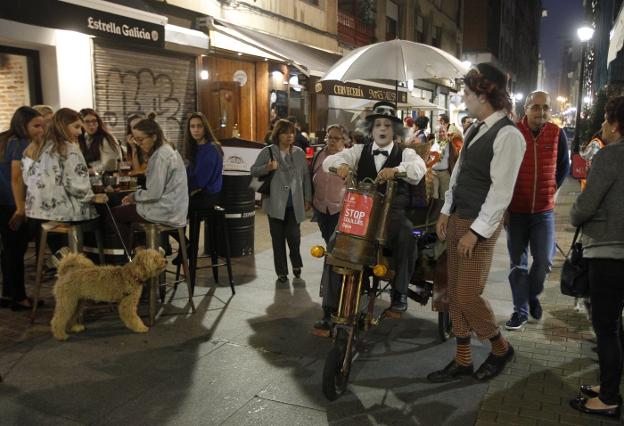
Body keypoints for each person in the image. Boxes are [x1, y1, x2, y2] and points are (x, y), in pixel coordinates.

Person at [427, 63, 525, 383]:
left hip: (478, 225)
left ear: (485, 95)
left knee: (468, 295)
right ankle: (463, 359)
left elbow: (501, 193)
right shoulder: (474, 128)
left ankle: (500, 348)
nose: (463, 98)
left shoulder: (508, 134)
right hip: (458, 218)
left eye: (468, 93)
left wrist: (475, 231)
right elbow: (458, 174)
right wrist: (445, 210)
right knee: (454, 294)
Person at [315, 101, 427, 330]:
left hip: (392, 215)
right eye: (378, 125)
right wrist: (341, 166)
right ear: (372, 129)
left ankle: (400, 295)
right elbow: (329, 161)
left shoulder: (406, 153)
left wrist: (397, 170)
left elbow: (418, 169)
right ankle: (329, 309)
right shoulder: (358, 151)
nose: (382, 129)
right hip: (361, 214)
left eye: (387, 124)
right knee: (334, 243)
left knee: (407, 234)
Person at [568, 95, 624, 418]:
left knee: (606, 326)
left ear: (615, 125)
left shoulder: (609, 156)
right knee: (616, 325)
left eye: (605, 119)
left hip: (609, 251)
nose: (602, 125)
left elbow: (584, 207)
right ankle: (609, 384)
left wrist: (575, 212)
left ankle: (609, 398)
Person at [504, 91, 570, 330]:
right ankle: (520, 311)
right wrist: (503, 207)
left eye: (545, 107)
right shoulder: (512, 133)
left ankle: (531, 295)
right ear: (526, 109)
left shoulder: (556, 133)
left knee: (543, 261)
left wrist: (552, 188)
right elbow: (502, 171)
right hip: (517, 211)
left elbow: (564, 166)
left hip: (544, 211)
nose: (541, 112)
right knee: (517, 264)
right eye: (536, 107)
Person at [110, 114, 189, 251]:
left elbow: (154, 193)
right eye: (136, 141)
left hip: (165, 210)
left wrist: (133, 196)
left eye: (141, 140)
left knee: (114, 214)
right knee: (130, 212)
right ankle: (146, 250)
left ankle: (137, 252)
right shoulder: (169, 149)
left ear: (153, 137)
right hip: (174, 208)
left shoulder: (160, 156)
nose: (139, 144)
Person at [251, 119, 312, 283]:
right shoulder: (268, 151)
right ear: (277, 135)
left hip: (295, 204)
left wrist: (308, 198)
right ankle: (281, 272)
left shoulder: (299, 153)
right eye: (285, 132)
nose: (290, 135)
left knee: (294, 237)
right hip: (275, 205)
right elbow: (253, 170)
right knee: (277, 240)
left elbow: (306, 178)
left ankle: (296, 265)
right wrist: (267, 168)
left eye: (292, 132)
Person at [22, 108, 106, 224]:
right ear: (63, 126)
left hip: (36, 212)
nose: (81, 132)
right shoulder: (69, 149)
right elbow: (76, 185)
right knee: (105, 219)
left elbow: (27, 179)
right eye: (76, 127)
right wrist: (92, 197)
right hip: (65, 215)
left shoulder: (36, 147)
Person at [0, 107, 44, 310]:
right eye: (36, 125)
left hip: (6, 201)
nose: (41, 129)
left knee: (10, 250)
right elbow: (16, 177)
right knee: (16, 249)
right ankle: (18, 298)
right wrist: (20, 207)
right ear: (22, 125)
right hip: (11, 202)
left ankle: (10, 293)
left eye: (43, 125)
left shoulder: (8, 139)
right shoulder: (20, 142)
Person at [311, 124, 348, 244]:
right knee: (327, 238)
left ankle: (330, 262)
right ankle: (330, 260)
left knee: (335, 242)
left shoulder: (349, 158)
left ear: (344, 140)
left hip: (339, 209)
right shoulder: (319, 154)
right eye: (329, 137)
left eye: (336, 138)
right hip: (320, 207)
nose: (332, 141)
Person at [79, 108, 123, 174]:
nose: (91, 125)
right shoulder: (83, 138)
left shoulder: (106, 139)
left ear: (98, 122)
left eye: (94, 121)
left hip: (106, 178)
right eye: (87, 122)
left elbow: (110, 165)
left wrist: (88, 171)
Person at [431, 124, 463, 201]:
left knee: (444, 196)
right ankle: (434, 212)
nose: (441, 133)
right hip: (433, 173)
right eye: (439, 132)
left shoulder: (450, 144)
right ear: (436, 133)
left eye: (443, 131)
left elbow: (456, 157)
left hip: (445, 173)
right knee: (434, 195)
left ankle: (442, 212)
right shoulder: (432, 143)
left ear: (446, 132)